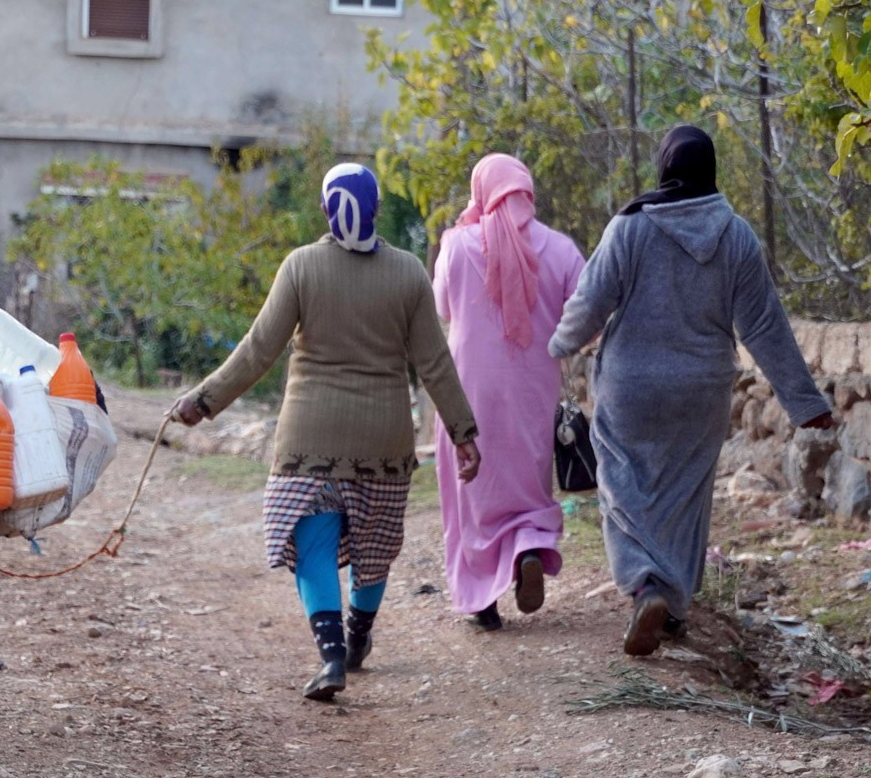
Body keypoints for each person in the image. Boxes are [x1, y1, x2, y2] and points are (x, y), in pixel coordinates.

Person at [171, 163, 480, 701]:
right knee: (374, 546)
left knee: (313, 540)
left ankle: (332, 655)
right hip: (384, 439)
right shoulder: (407, 272)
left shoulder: (301, 267)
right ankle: (359, 635)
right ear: (378, 209)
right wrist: (463, 432)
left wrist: (203, 401)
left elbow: (258, 349)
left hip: (308, 437)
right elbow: (434, 363)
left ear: (324, 209)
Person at [548, 126, 833, 656]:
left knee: (622, 488)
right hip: (701, 388)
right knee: (685, 496)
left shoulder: (629, 227)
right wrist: (805, 404)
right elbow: (764, 327)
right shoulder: (738, 236)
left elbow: (591, 302)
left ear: (664, 166)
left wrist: (560, 344)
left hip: (630, 386)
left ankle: (647, 586)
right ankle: (673, 607)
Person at [432, 153, 586, 631]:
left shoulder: (456, 245)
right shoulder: (559, 249)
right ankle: (525, 552)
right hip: (533, 389)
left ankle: (482, 599)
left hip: (466, 388)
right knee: (526, 479)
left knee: (470, 488)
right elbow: (587, 317)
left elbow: (441, 308)